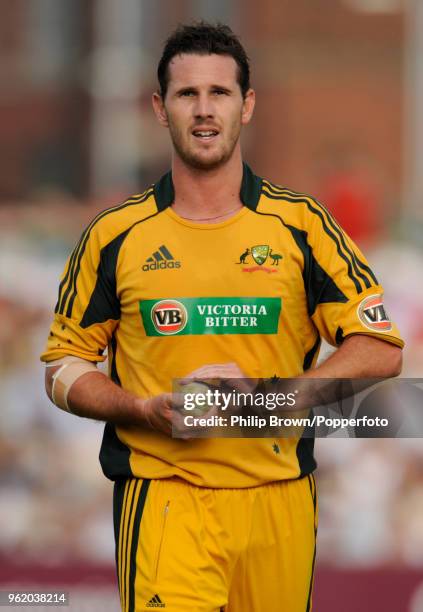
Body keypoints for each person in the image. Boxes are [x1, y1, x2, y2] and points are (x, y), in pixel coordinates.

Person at [41, 22, 404, 612]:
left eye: (220, 93)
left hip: (279, 501)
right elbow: (62, 365)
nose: (204, 111)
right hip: (165, 499)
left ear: (248, 105)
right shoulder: (114, 236)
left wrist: (272, 400)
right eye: (187, 94)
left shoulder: (304, 226)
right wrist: (140, 409)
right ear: (160, 108)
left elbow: (383, 347)